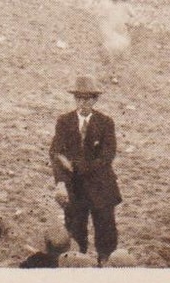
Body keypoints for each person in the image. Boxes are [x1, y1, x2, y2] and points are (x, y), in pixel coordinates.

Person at [48, 74, 122, 266]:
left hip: (101, 187)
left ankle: (104, 265)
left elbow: (107, 156)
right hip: (75, 189)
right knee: (75, 234)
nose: (83, 102)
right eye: (79, 98)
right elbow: (56, 153)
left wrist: (81, 167)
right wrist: (62, 183)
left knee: (106, 234)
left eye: (87, 98)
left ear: (95, 99)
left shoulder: (106, 123)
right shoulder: (64, 121)